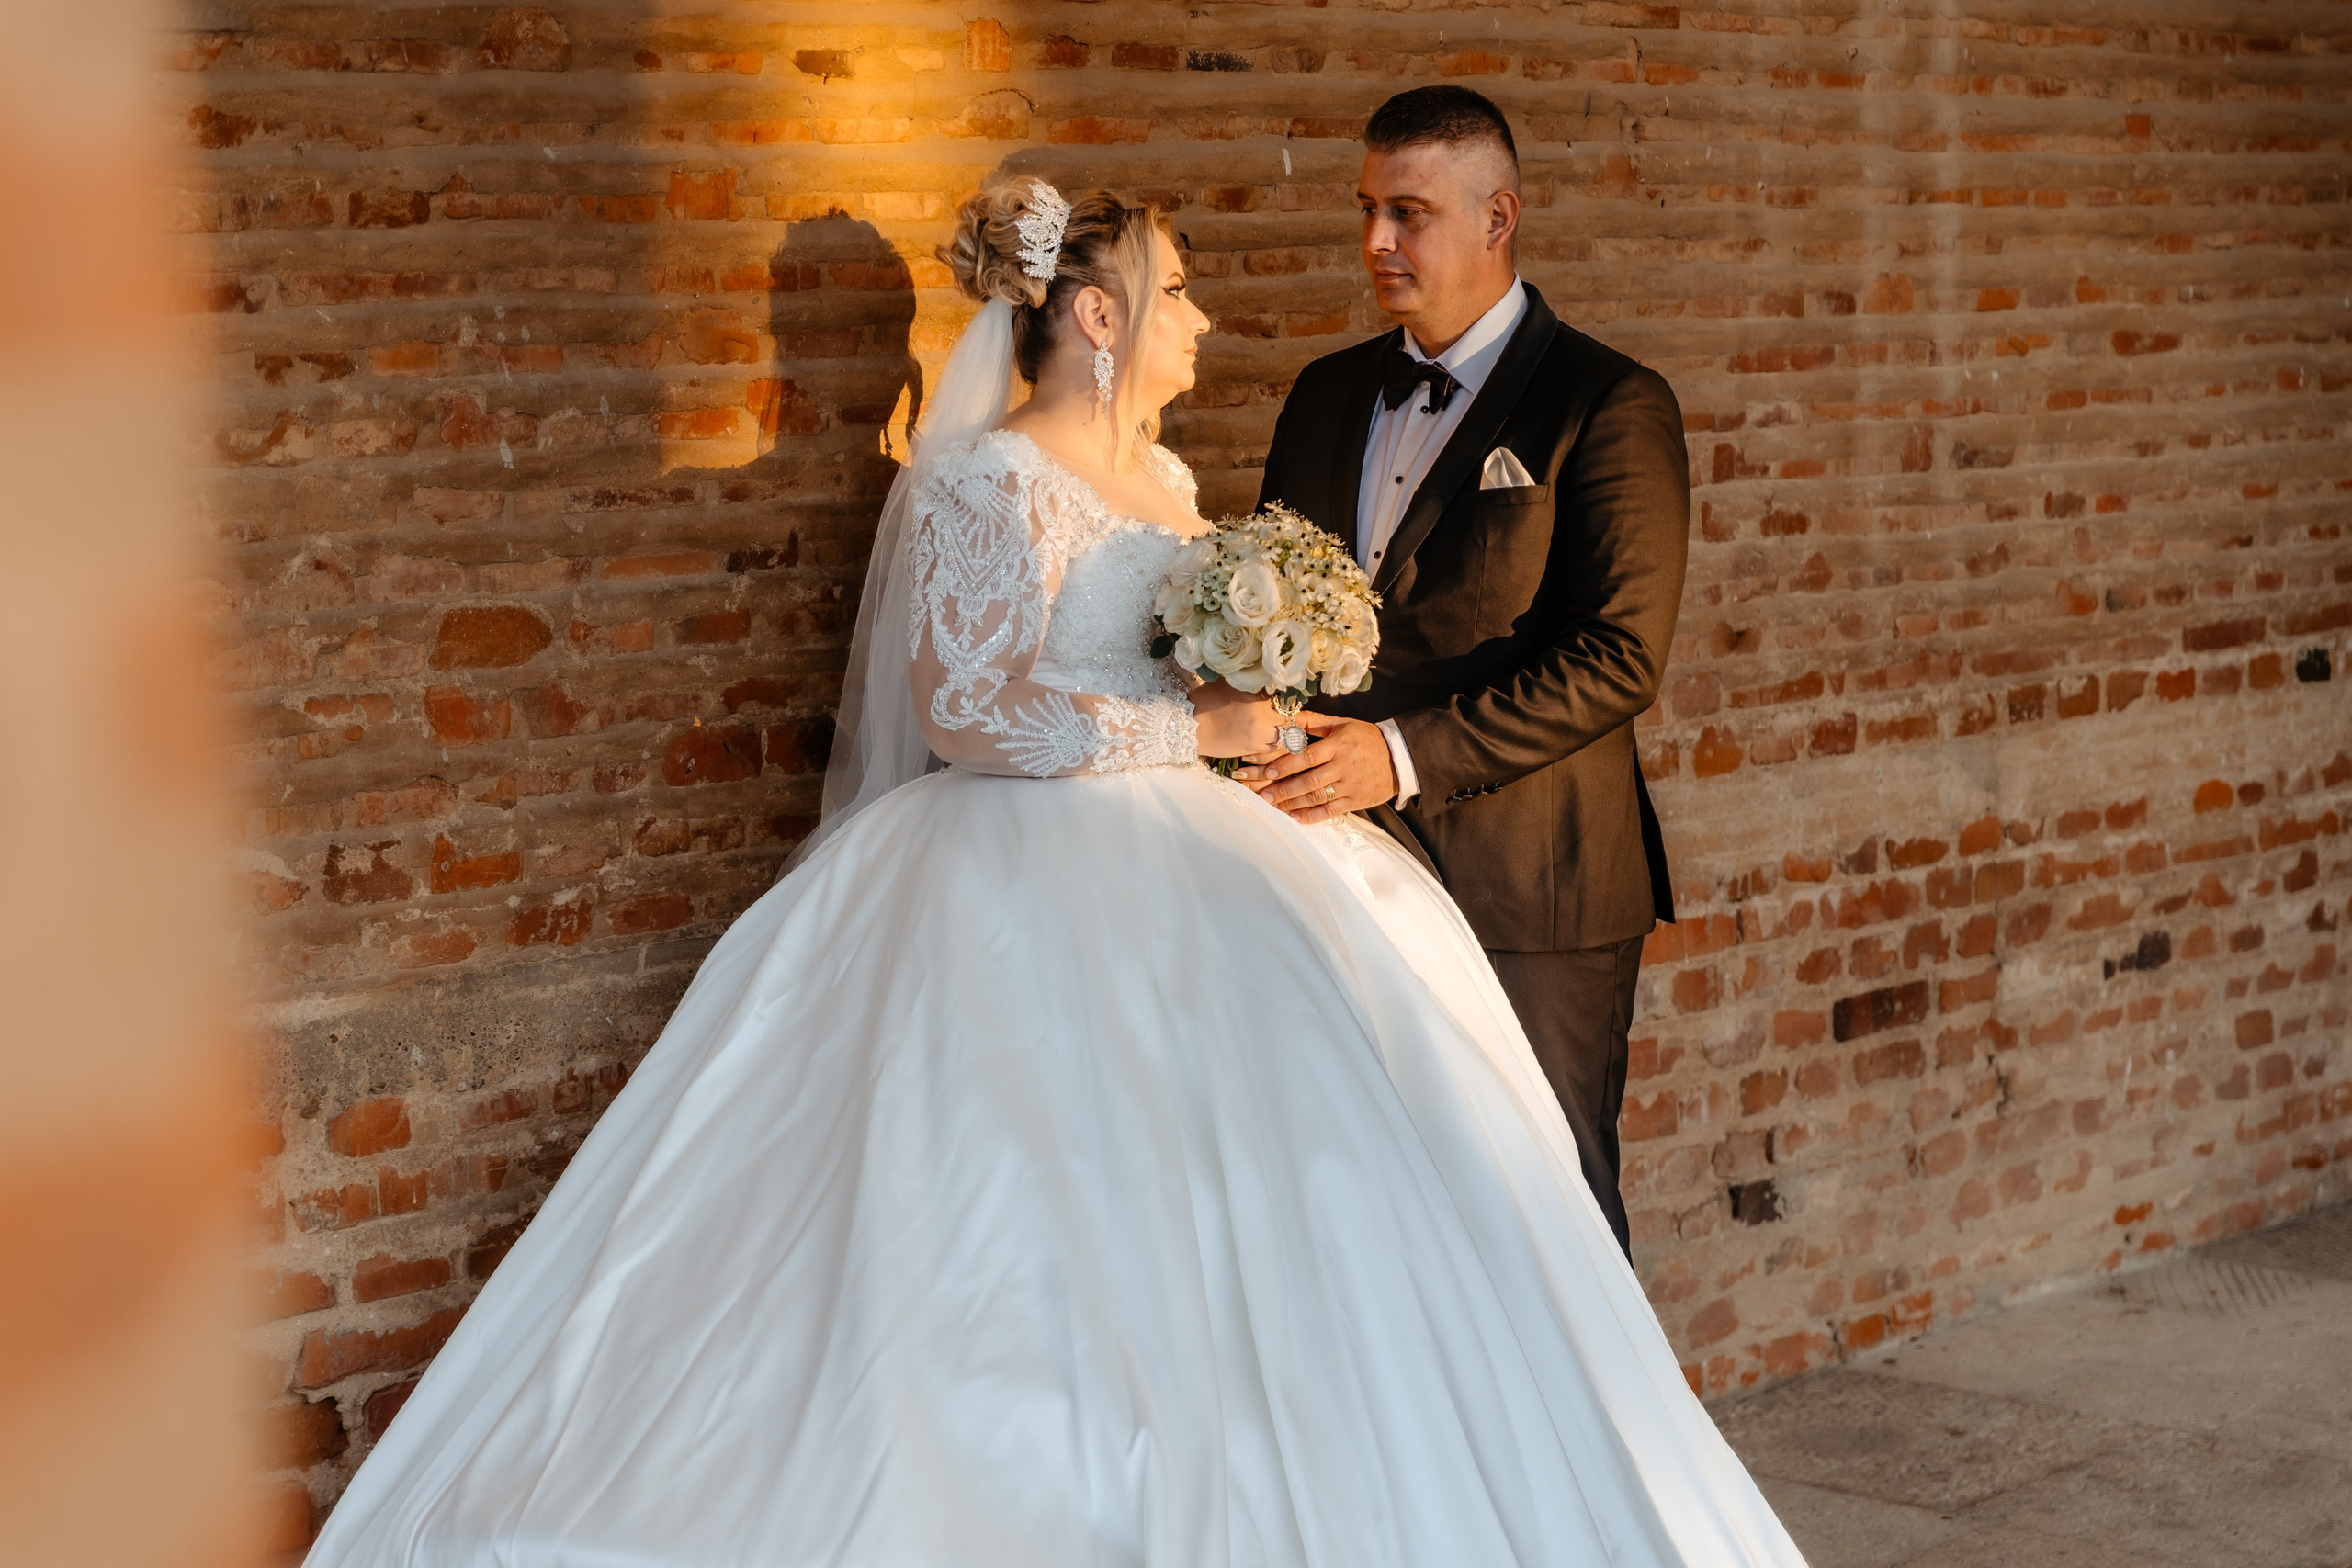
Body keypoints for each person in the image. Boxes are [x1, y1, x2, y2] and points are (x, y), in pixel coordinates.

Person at [303, 176, 1803, 1568]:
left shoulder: (1163, 476)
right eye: (1179, 290)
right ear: (1097, 314)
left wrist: (1263, 710)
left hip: (1209, 861)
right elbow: (964, 708)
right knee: (1004, 1213)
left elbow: (1204, 667)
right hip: (1009, 877)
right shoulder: (975, 479)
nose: (1201, 318)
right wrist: (1187, 720)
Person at [1248, 85, 1690, 1257]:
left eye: (1408, 214)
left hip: (1531, 885)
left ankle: (1589, 1442)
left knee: (1547, 1211)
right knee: (1379, 1210)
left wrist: (1395, 756)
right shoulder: (1327, 394)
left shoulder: (1607, 404)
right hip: (1340, 873)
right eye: (1366, 210)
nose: (1374, 244)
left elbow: (1619, 657)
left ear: (1498, 219)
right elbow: (1274, 621)